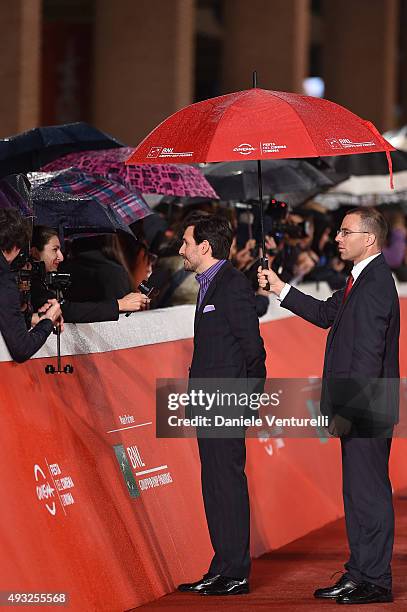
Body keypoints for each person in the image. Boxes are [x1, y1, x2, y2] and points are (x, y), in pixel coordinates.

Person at [258, 207, 399, 605]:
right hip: (361, 403)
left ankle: (374, 580)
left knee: (368, 494)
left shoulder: (374, 285)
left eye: (345, 232)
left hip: (364, 404)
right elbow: (324, 314)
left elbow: (369, 354)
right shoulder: (360, 280)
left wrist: (351, 406)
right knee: (357, 494)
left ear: (368, 239)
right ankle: (360, 573)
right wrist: (280, 287)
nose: (337, 238)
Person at [177, 213, 266, 596]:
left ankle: (236, 572)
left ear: (204, 247)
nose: (180, 249)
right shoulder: (207, 284)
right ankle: (222, 566)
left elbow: (254, 350)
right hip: (208, 400)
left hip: (227, 400)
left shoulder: (231, 285)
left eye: (185, 242)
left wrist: (247, 400)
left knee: (226, 484)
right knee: (214, 485)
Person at [30, 227, 149, 322]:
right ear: (35, 252)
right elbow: (67, 310)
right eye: (55, 250)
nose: (61, 257)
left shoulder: (57, 273)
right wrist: (119, 305)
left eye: (60, 250)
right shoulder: (31, 284)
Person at [0, 209, 62, 363]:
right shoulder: (4, 278)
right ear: (16, 247)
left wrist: (30, 319)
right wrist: (49, 320)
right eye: (55, 250)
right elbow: (21, 349)